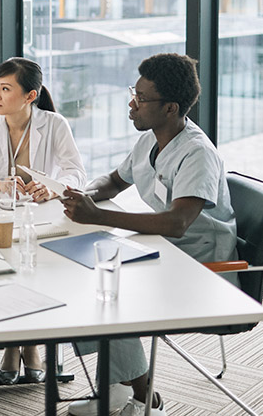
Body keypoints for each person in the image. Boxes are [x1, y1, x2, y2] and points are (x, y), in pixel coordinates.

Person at [62, 53, 238, 416]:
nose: (132, 103)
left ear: (171, 108)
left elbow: (177, 223)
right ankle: (117, 389)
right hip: (164, 251)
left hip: (203, 267)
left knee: (109, 288)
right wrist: (83, 195)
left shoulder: (197, 153)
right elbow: (113, 181)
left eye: (141, 98)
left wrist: (98, 215)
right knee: (85, 272)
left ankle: (142, 395)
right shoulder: (151, 139)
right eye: (134, 93)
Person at [0, 57, 86, 386]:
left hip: (42, 220)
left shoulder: (54, 124)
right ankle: (20, 344)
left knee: (34, 269)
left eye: (6, 88)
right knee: (3, 270)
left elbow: (76, 174)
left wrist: (51, 188)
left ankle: (20, 345)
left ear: (31, 95)